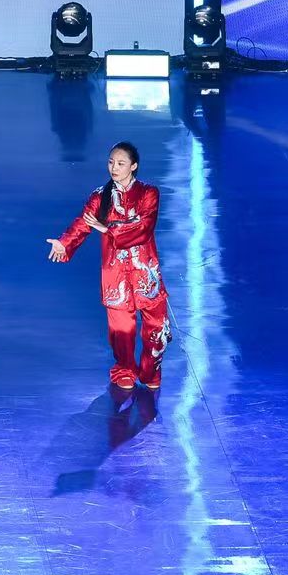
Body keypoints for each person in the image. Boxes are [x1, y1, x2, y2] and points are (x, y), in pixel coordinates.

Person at [46, 141, 170, 391]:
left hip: (146, 273)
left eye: (121, 163)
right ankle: (124, 369)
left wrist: (107, 229)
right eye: (111, 162)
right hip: (116, 274)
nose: (114, 168)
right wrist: (64, 243)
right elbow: (83, 223)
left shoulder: (149, 194)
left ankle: (150, 371)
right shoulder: (99, 197)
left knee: (156, 328)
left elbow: (144, 228)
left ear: (133, 166)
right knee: (121, 329)